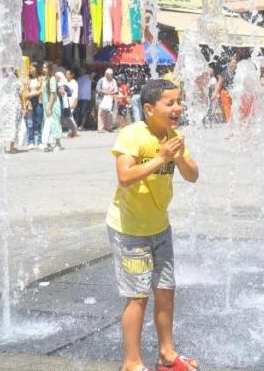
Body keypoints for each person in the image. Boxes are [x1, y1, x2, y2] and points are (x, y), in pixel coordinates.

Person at [106, 79, 199, 371]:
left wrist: (178, 157)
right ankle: (131, 362)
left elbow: (193, 175)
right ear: (149, 108)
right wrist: (160, 158)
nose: (177, 108)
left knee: (165, 289)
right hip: (130, 230)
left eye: (179, 102)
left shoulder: (174, 136)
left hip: (160, 227)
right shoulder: (132, 135)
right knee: (137, 296)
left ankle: (166, 354)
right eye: (169, 103)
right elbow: (125, 176)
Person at [40, 62, 64, 152]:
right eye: (43, 68)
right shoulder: (45, 79)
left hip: (52, 105)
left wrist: (49, 107)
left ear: (50, 69)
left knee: (55, 123)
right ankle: (49, 143)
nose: (44, 69)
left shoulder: (52, 79)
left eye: (45, 68)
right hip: (46, 104)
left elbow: (53, 94)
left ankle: (58, 143)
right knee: (47, 124)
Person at [213, 55, 237, 122]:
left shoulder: (237, 73)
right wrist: (215, 93)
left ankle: (233, 125)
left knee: (235, 110)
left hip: (234, 94)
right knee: (228, 110)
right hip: (225, 94)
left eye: (235, 63)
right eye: (233, 63)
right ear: (229, 64)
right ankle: (231, 126)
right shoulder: (224, 72)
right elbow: (219, 84)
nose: (234, 64)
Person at [26, 62, 43, 149]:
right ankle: (31, 141)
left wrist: (32, 94)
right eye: (30, 68)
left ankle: (40, 141)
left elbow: (41, 90)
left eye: (32, 68)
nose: (31, 70)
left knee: (39, 121)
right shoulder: (28, 79)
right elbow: (25, 90)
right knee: (30, 122)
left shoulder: (40, 78)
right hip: (30, 102)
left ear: (36, 69)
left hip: (38, 101)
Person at [96, 68, 118, 132]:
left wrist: (111, 93)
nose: (108, 75)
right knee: (101, 113)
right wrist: (104, 91)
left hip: (110, 99)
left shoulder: (114, 81)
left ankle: (108, 127)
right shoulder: (101, 80)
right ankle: (101, 128)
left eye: (110, 74)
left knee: (109, 114)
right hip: (102, 99)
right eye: (107, 74)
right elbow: (97, 89)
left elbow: (116, 90)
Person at [65, 69, 79, 137]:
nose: (66, 75)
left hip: (72, 102)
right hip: (65, 102)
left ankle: (74, 130)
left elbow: (75, 94)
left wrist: (74, 103)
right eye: (66, 74)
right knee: (68, 117)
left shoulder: (74, 83)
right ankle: (72, 130)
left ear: (72, 75)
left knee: (69, 117)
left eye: (68, 74)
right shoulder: (65, 82)